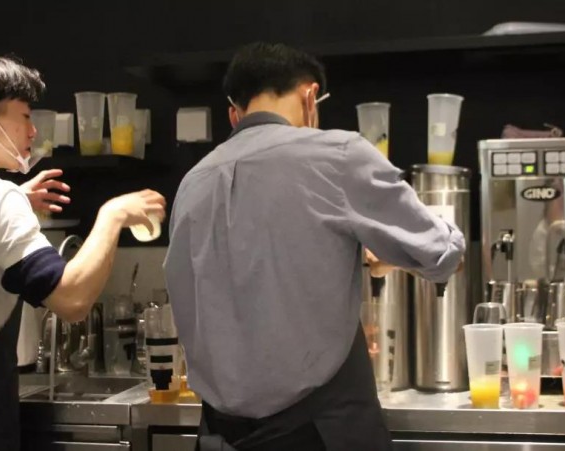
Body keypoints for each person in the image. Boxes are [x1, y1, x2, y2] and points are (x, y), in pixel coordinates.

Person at [164, 42, 465, 451]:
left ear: (235, 114)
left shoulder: (192, 183)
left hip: (218, 432)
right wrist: (397, 256)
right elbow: (442, 254)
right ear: (310, 97)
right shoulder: (338, 155)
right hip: (319, 432)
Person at [0, 53, 166, 451]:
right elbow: (71, 299)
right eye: (24, 116)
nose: (33, 131)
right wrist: (112, 215)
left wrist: (14, 200)